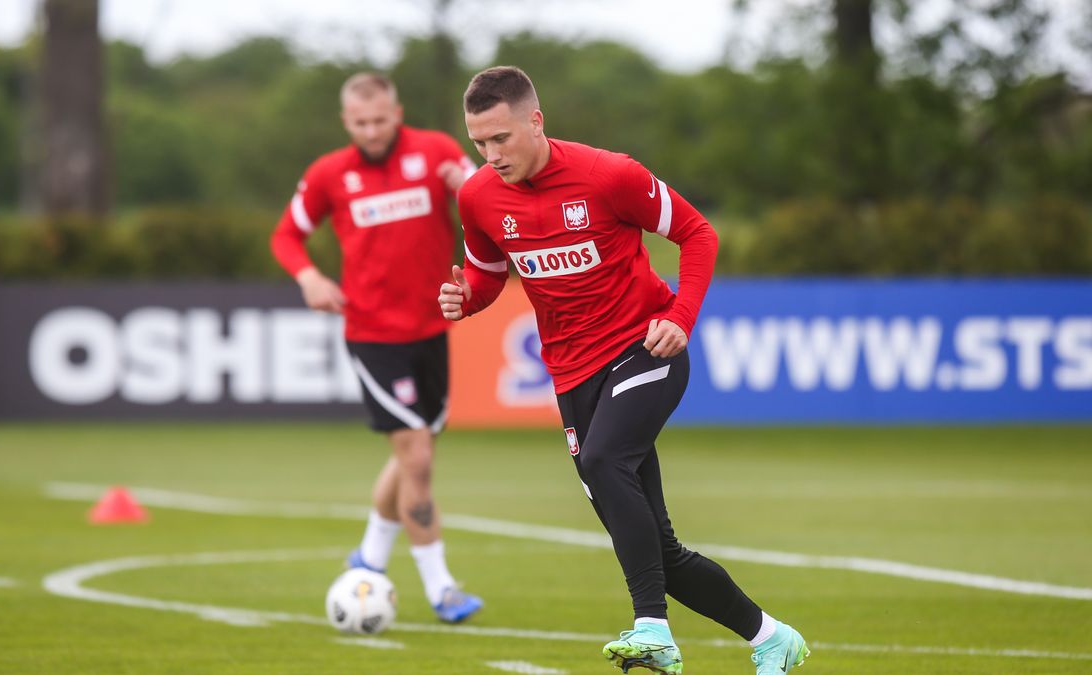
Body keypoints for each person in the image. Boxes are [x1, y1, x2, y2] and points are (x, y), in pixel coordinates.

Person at [439, 66, 809, 674]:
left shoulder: (608, 175)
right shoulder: (478, 194)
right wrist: (466, 299)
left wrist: (681, 317)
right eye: (479, 142)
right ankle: (771, 638)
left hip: (647, 349)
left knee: (603, 460)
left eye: (501, 138)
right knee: (655, 546)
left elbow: (698, 233)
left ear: (536, 120)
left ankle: (652, 629)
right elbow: (485, 273)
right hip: (571, 375)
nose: (490, 154)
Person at [271, 72, 482, 624]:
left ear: (398, 111)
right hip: (372, 335)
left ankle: (369, 554)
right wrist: (309, 278)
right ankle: (442, 590)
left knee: (414, 452)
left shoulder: (436, 151)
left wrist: (468, 186)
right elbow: (285, 235)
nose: (371, 131)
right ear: (346, 122)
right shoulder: (329, 174)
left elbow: (492, 203)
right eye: (360, 123)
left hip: (433, 328)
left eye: (380, 120)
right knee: (417, 457)